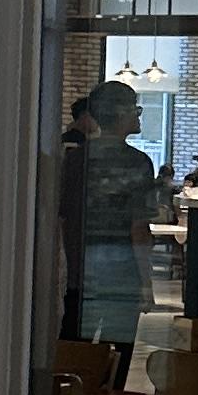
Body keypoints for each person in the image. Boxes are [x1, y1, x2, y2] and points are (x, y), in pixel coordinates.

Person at [57, 74, 157, 350]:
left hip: (81, 272)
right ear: (121, 113)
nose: (139, 116)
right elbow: (138, 228)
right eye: (136, 109)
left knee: (76, 354)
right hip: (121, 275)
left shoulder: (75, 159)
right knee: (118, 354)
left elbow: (63, 219)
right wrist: (146, 281)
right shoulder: (137, 162)